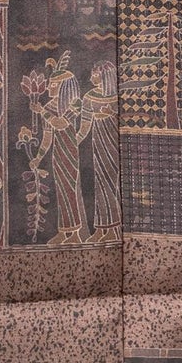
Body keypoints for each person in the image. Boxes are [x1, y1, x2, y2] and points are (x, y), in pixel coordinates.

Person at [29, 51, 90, 245]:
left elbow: (61, 123)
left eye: (53, 84)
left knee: (70, 190)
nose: (48, 87)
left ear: (64, 86)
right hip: (58, 152)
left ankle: (76, 233)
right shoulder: (49, 106)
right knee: (62, 191)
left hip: (70, 150)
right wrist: (38, 157)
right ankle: (65, 232)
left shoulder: (75, 103)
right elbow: (47, 137)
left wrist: (42, 112)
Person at [76, 61, 121, 243]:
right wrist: (73, 142)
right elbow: (84, 127)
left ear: (105, 76)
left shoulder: (118, 96)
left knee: (113, 185)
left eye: (95, 75)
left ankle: (113, 230)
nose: (91, 78)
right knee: (101, 184)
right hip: (100, 145)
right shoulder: (89, 97)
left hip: (115, 144)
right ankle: (103, 229)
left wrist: (112, 112)